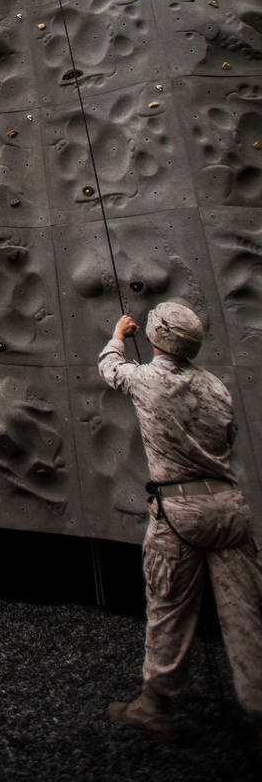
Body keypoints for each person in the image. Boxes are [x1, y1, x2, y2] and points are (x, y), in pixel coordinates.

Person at [100, 303, 262, 746]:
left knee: (169, 607)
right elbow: (226, 440)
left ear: (155, 339)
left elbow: (110, 367)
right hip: (229, 507)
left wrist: (118, 333)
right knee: (248, 614)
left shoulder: (147, 380)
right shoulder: (215, 387)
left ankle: (155, 707)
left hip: (180, 509)